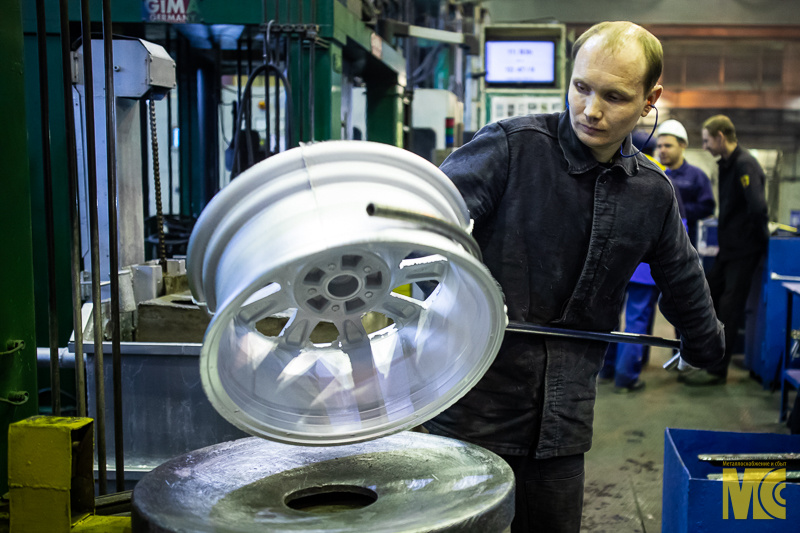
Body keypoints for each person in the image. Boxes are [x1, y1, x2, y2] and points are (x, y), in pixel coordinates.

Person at [422, 21, 724, 533]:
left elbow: (682, 274)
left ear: (650, 99)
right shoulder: (510, 147)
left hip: (562, 421)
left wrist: (706, 344)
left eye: (614, 96)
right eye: (581, 87)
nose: (591, 110)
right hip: (470, 407)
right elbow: (427, 224)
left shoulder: (651, 192)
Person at [680, 115, 768, 386]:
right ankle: (705, 359)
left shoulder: (744, 164)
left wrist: (762, 242)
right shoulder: (727, 165)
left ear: (720, 136)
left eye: (707, 140)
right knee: (707, 296)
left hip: (743, 251)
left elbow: (758, 207)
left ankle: (718, 372)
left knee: (729, 308)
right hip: (728, 250)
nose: (705, 146)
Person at [655, 119, 716, 248]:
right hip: (659, 245)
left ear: (682, 145)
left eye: (668, 146)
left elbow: (707, 207)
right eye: (659, 146)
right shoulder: (656, 176)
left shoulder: (696, 176)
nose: (662, 150)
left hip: (687, 244)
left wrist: (675, 211)